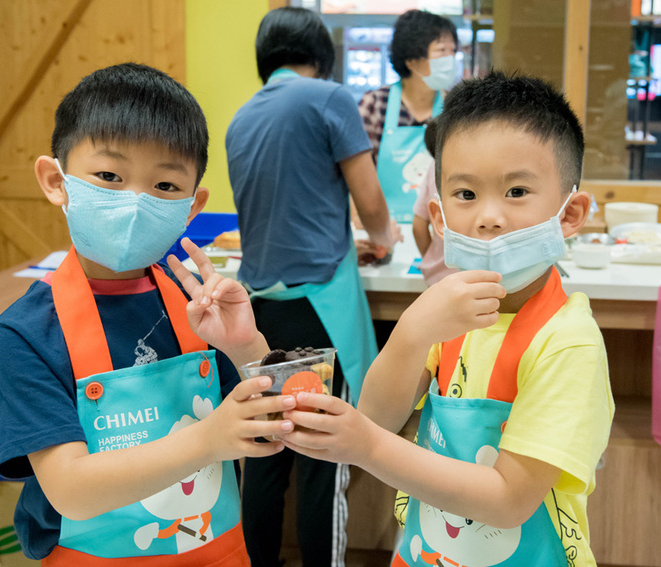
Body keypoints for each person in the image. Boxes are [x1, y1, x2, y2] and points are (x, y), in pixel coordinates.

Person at [280, 71, 615, 567]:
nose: (488, 217)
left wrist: (369, 446)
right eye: (465, 195)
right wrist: (413, 331)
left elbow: (508, 500)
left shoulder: (568, 342)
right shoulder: (449, 313)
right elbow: (377, 417)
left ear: (569, 215)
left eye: (517, 192)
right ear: (438, 219)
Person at [0, 63, 292, 565]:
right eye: (109, 176)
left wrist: (247, 348)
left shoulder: (198, 304)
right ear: (56, 181)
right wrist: (208, 440)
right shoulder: (25, 334)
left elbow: (276, 424)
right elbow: (71, 491)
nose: (134, 201)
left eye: (165, 186)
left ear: (192, 206)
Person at [225, 7, 400, 567]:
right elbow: (370, 202)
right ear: (321, 58)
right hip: (319, 305)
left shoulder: (240, 118)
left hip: (258, 311)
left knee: (266, 454)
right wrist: (386, 239)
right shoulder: (329, 98)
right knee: (324, 457)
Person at [358, 9, 458, 223]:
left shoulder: (454, 107)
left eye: (453, 51)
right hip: (384, 227)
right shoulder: (375, 105)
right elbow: (356, 176)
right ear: (412, 60)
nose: (451, 59)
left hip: (439, 230)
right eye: (442, 51)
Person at [412, 116, 457, 285]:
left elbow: (418, 225)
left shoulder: (434, 166)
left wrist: (432, 259)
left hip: (437, 276)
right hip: (477, 279)